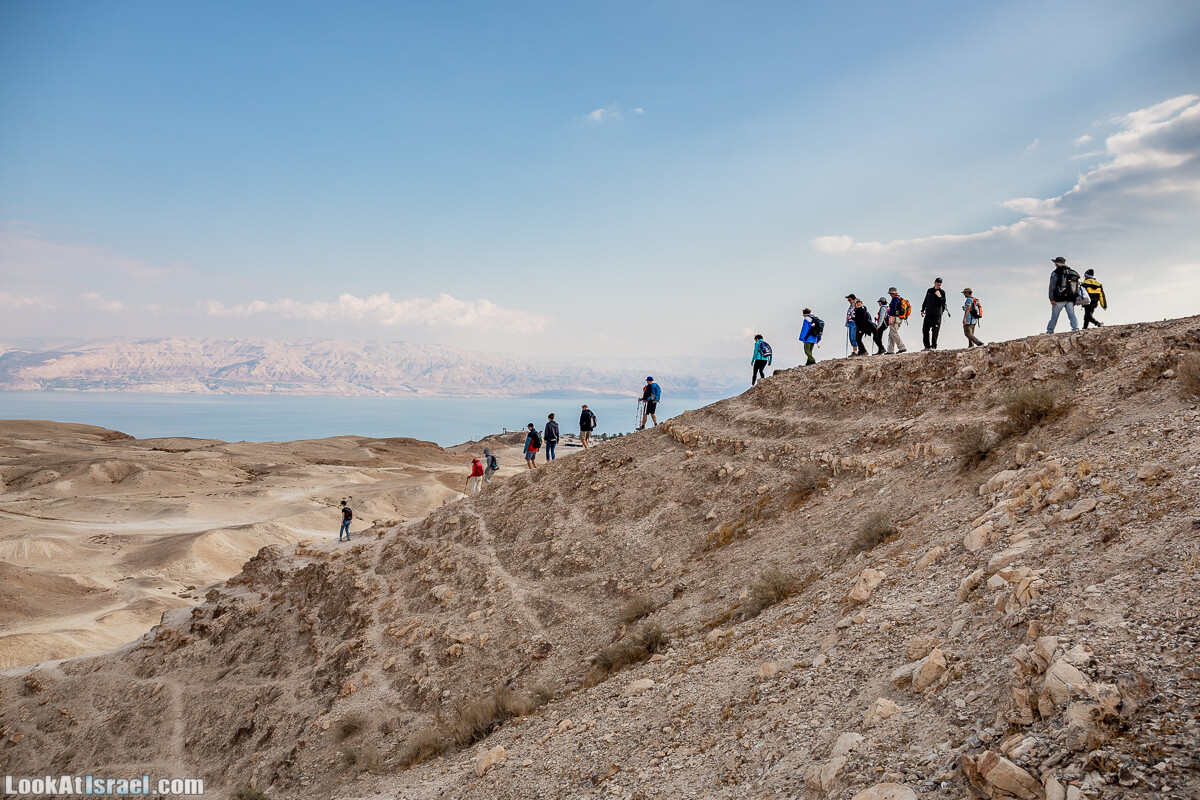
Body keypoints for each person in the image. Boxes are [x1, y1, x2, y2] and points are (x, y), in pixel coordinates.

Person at [1047, 256, 1081, 333]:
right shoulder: (1071, 272)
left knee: (1054, 316)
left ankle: (1050, 331)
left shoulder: (1055, 273)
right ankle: (1075, 329)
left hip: (1059, 299)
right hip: (1070, 299)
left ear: (1057, 264)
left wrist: (1051, 298)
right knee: (1072, 315)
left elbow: (1052, 286)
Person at [920, 278, 949, 350]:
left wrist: (939, 296)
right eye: (938, 282)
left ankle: (933, 346)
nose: (939, 284)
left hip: (937, 315)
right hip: (928, 313)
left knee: (935, 331)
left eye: (940, 282)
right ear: (934, 282)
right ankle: (927, 346)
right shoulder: (929, 291)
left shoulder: (942, 292)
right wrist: (922, 309)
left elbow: (943, 303)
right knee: (925, 330)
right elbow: (925, 300)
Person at [886, 287, 908, 354]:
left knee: (893, 333)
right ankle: (890, 350)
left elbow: (893, 309)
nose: (890, 295)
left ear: (892, 293)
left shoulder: (894, 299)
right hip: (900, 319)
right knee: (891, 333)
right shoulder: (900, 299)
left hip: (894, 318)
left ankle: (902, 347)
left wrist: (889, 313)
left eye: (890, 293)